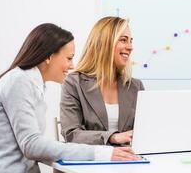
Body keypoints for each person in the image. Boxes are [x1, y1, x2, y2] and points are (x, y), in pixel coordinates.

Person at [0, 23, 139, 173]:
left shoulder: (34, 85)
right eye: (69, 58)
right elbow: (32, 145)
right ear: (49, 57)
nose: (72, 66)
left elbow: (34, 147)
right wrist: (104, 153)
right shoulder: (19, 81)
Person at [60, 16, 144, 146]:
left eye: (130, 41)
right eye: (123, 40)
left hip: (129, 161)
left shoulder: (135, 86)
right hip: (91, 162)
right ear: (105, 43)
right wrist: (111, 137)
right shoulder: (74, 83)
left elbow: (146, 132)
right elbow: (71, 134)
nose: (130, 47)